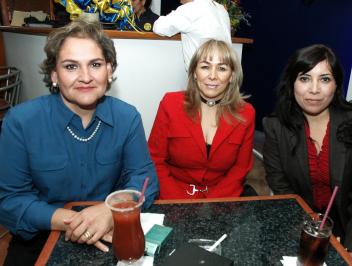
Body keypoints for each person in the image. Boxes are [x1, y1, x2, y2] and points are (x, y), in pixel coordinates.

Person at [0, 17, 159, 265]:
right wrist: (76, 221)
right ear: (54, 74)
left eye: (95, 64)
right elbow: (10, 201)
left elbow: (145, 177)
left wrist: (110, 210)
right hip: (42, 233)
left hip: (110, 230)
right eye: (71, 66)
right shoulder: (20, 122)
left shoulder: (127, 117)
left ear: (110, 70)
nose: (85, 77)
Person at [262, 44, 352, 265]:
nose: (314, 89)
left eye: (324, 79)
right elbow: (282, 189)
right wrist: (313, 229)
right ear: (292, 84)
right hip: (300, 224)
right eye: (305, 78)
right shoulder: (275, 127)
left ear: (336, 85)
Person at [148, 39, 255, 199]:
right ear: (194, 73)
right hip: (173, 194)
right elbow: (155, 160)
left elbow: (240, 168)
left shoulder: (246, 113)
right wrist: (179, 203)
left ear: (232, 76)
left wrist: (213, 205)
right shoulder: (170, 104)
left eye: (222, 68)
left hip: (221, 198)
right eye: (205, 67)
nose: (212, 76)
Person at [153, 0, 232, 70]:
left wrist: (171, 14)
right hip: (225, 74)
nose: (180, 1)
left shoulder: (191, 8)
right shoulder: (221, 9)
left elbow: (159, 27)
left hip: (204, 76)